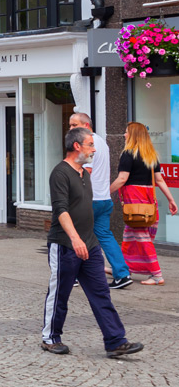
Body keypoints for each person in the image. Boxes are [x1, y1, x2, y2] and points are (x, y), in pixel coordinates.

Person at [41, 127, 142, 358]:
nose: (94, 149)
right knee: (60, 294)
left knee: (101, 294)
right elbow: (60, 210)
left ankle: (116, 341)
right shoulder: (60, 173)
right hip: (65, 244)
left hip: (90, 244)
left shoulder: (84, 174)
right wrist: (75, 239)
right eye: (90, 144)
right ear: (77, 146)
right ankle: (50, 337)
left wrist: (87, 240)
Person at [68, 113, 132, 289]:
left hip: (89, 200)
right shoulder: (102, 142)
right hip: (103, 198)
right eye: (70, 125)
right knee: (105, 236)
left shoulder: (86, 144)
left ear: (86, 125)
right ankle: (122, 273)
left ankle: (72, 275)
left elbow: (85, 171)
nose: (71, 128)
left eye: (74, 125)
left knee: (73, 235)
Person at [110, 122, 178, 286]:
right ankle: (123, 268)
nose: (124, 135)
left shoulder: (128, 153)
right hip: (147, 200)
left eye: (126, 132)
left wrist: (105, 192)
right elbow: (159, 179)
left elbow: (122, 179)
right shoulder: (150, 155)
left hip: (135, 201)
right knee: (129, 237)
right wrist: (171, 199)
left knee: (141, 238)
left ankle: (156, 274)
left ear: (133, 135)